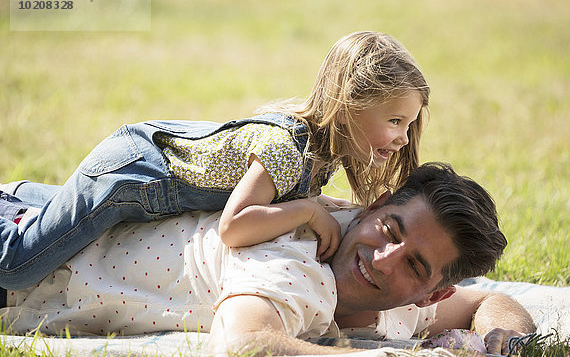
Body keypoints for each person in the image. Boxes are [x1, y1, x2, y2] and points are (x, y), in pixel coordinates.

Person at [0, 31, 430, 290]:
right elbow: (234, 228)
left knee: (55, 219)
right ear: (352, 103)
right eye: (394, 120)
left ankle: (11, 198)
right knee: (18, 267)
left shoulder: (324, 153)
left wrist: (325, 209)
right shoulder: (287, 149)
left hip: (143, 180)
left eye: (408, 125)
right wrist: (306, 211)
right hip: (127, 179)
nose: (401, 137)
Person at [0, 163, 535, 355]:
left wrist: (503, 345)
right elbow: (243, 346)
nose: (383, 257)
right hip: (19, 250)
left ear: (433, 293)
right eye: (388, 229)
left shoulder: (398, 302)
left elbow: (489, 300)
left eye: (416, 266)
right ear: (373, 206)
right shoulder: (298, 259)